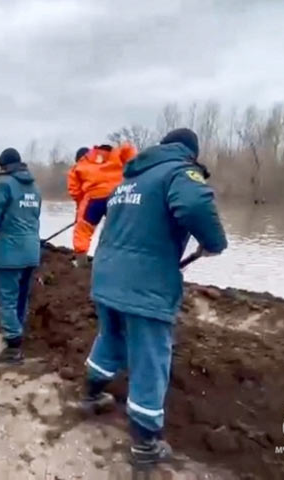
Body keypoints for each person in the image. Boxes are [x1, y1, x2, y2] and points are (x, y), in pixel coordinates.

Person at [82, 128, 227, 464]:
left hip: (106, 276)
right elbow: (193, 203)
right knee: (151, 355)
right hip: (144, 284)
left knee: (112, 336)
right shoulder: (179, 171)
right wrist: (214, 243)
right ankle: (146, 445)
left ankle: (90, 395)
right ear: (190, 153)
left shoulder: (129, 179)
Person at [0, 148, 42, 364]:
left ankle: (13, 346)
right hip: (32, 251)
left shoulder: (3, 184)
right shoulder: (35, 187)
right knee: (22, 295)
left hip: (10, 251)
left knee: (7, 298)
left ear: (3, 166)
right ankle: (18, 331)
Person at [67, 142, 137, 266]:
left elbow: (75, 191)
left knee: (82, 232)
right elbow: (129, 151)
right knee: (121, 229)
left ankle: (81, 263)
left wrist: (80, 213)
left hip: (94, 200)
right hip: (118, 197)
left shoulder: (79, 165)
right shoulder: (114, 154)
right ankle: (123, 261)